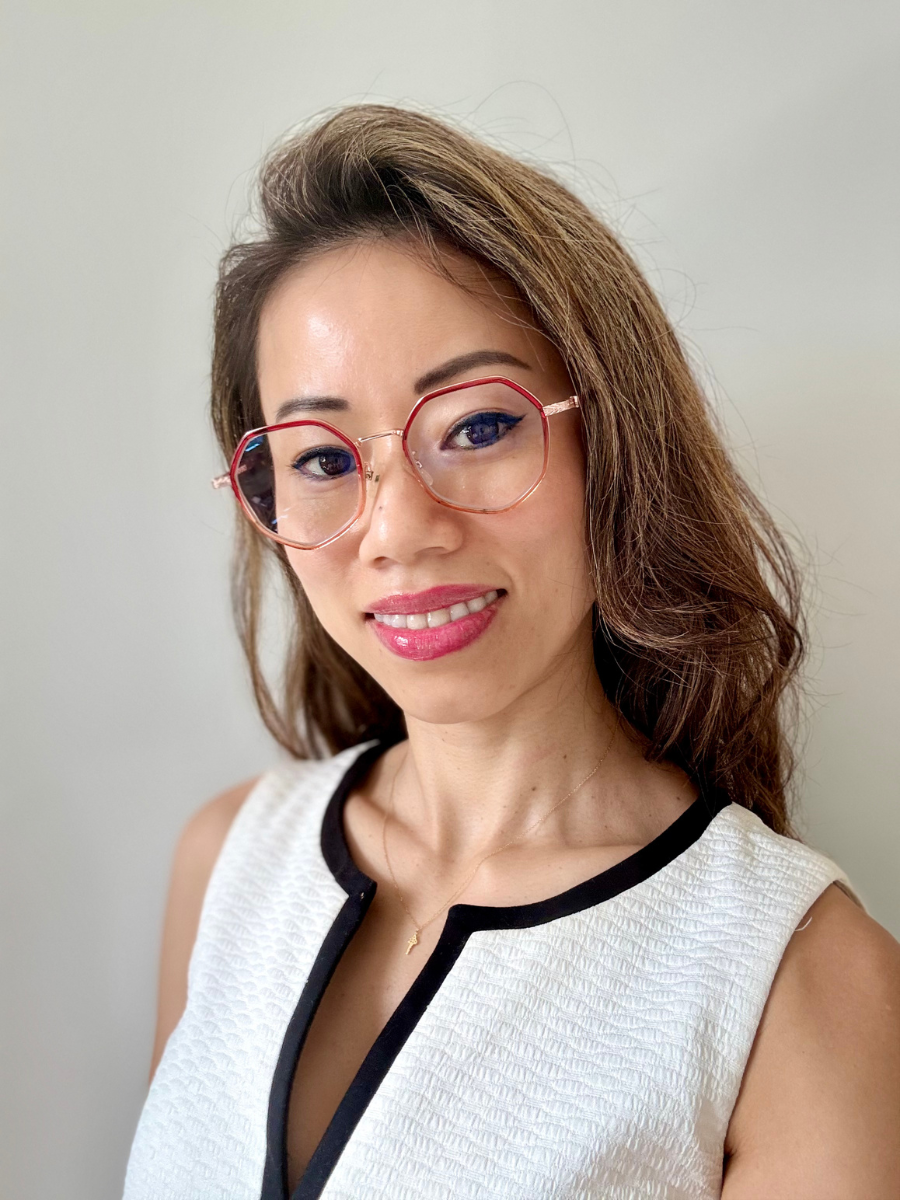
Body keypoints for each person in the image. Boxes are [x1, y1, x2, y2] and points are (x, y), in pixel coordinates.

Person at [122, 105, 900, 1199]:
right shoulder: (225, 862)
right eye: (318, 458)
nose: (397, 531)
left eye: (479, 426)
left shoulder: (801, 981)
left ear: (611, 445)